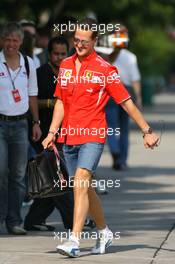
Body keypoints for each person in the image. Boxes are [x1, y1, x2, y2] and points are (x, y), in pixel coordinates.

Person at [42, 17, 159, 257]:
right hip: (68, 136)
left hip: (93, 133)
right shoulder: (64, 65)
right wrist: (52, 131)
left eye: (84, 41)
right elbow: (61, 101)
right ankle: (104, 231)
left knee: (81, 182)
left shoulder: (105, 69)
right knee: (84, 187)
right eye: (76, 40)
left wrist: (147, 130)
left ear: (95, 41)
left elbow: (126, 102)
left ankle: (73, 240)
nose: (79, 44)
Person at [24, 36, 74, 231]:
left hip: (69, 132)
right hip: (44, 133)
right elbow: (32, 100)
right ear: (49, 53)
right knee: (59, 179)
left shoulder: (71, 72)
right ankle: (74, 221)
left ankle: (34, 219)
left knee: (55, 180)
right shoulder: (40, 73)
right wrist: (52, 104)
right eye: (56, 53)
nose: (59, 57)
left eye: (63, 54)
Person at [0, 22, 42, 235]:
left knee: (17, 174)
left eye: (15, 40)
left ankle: (14, 220)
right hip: (0, 123)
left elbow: (32, 93)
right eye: (7, 40)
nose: (10, 44)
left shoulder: (28, 63)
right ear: (1, 41)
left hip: (20, 124)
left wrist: (36, 122)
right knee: (1, 171)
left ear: (21, 42)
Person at [105, 25, 142, 170]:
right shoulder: (130, 56)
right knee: (124, 128)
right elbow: (135, 79)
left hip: (109, 91)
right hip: (126, 90)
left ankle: (114, 150)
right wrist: (138, 98)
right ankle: (122, 159)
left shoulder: (105, 55)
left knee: (111, 126)